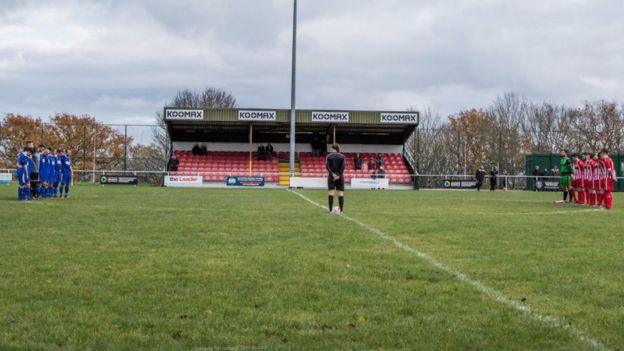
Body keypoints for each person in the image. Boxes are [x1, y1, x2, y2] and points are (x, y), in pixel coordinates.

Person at [326, 143, 345, 214]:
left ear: (333, 149)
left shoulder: (329, 156)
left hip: (331, 177)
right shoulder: (342, 156)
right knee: (341, 193)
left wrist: (333, 174)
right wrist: (338, 175)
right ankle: (341, 211)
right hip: (340, 177)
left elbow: (327, 167)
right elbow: (343, 167)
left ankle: (330, 210)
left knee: (331, 193)